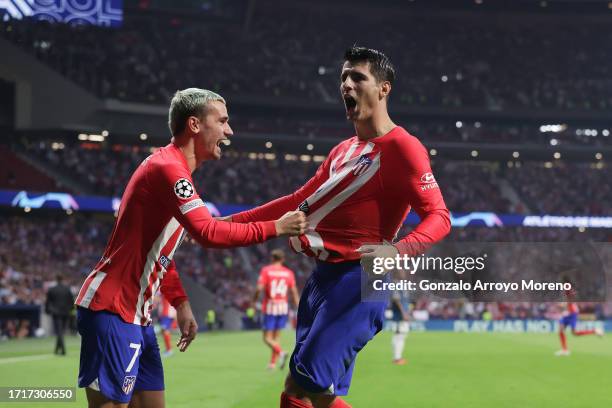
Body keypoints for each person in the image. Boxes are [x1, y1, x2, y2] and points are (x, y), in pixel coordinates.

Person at [228, 47, 451, 408]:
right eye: (343, 77)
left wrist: (399, 249)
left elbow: (440, 217)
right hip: (322, 278)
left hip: (361, 279)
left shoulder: (403, 148)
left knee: (301, 383)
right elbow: (297, 199)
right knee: (313, 391)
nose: (346, 84)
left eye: (358, 77)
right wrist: (229, 223)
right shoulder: (343, 150)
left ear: (383, 89)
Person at [74, 88, 307, 408]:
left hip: (137, 317)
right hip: (112, 309)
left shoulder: (175, 172)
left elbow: (165, 251)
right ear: (195, 125)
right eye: (222, 121)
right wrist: (276, 228)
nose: (230, 131)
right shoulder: (168, 168)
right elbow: (209, 232)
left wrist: (181, 303)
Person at [253, 249, 299, 370]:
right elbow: (294, 292)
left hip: (270, 307)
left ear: (272, 258)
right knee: (276, 338)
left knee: (267, 338)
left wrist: (254, 300)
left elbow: (259, 288)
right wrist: (298, 305)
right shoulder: (288, 273)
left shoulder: (266, 271)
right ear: (283, 260)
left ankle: (281, 353)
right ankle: (272, 364)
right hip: (283, 307)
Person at [555, 279, 603, 356]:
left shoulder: (568, 291)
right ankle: (564, 350)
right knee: (561, 329)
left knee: (574, 333)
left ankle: (595, 331)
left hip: (572, 313)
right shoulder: (566, 291)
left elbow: (568, 302)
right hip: (569, 313)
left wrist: (562, 306)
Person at [45, 274, 74, 355]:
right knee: (61, 331)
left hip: (56, 313)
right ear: (62, 279)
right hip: (66, 312)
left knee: (59, 331)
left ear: (56, 279)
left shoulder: (52, 289)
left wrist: (47, 310)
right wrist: (71, 310)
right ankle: (57, 350)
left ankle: (62, 350)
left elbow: (48, 302)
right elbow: (71, 301)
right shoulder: (67, 289)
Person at [389, 289, 410, 365]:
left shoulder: (402, 288)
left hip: (400, 318)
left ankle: (397, 358)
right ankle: (397, 358)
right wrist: (404, 313)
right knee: (399, 337)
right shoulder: (397, 288)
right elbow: (397, 301)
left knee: (400, 337)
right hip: (398, 318)